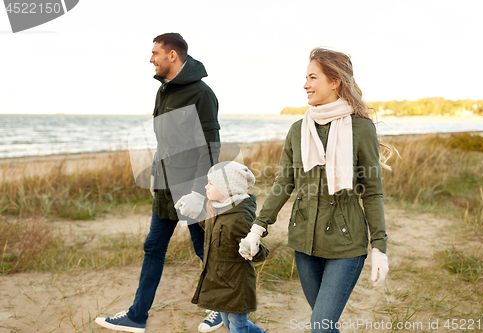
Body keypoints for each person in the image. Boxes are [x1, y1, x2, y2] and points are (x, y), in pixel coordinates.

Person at [239, 47, 393, 333]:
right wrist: (257, 229)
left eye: (313, 77)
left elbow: (372, 192)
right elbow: (284, 183)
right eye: (305, 78)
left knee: (320, 326)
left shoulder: (361, 129)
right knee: (325, 325)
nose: (305, 84)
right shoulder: (298, 129)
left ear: (335, 81)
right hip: (304, 241)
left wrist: (379, 247)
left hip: (346, 244)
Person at [95, 33, 223, 333]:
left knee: (203, 248)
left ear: (172, 56)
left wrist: (197, 192)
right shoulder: (164, 91)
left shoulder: (202, 94)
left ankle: (223, 307)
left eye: (155, 53)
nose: (151, 58)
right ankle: (137, 316)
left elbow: (210, 146)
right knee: (153, 247)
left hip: (193, 188)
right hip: (166, 187)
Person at [192, 161, 269, 333]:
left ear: (227, 188)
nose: (206, 186)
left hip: (236, 285)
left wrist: (251, 249)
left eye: (211, 183)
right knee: (228, 323)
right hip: (221, 281)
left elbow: (261, 252)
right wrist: (196, 214)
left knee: (237, 327)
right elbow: (213, 231)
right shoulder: (218, 209)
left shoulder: (240, 217)